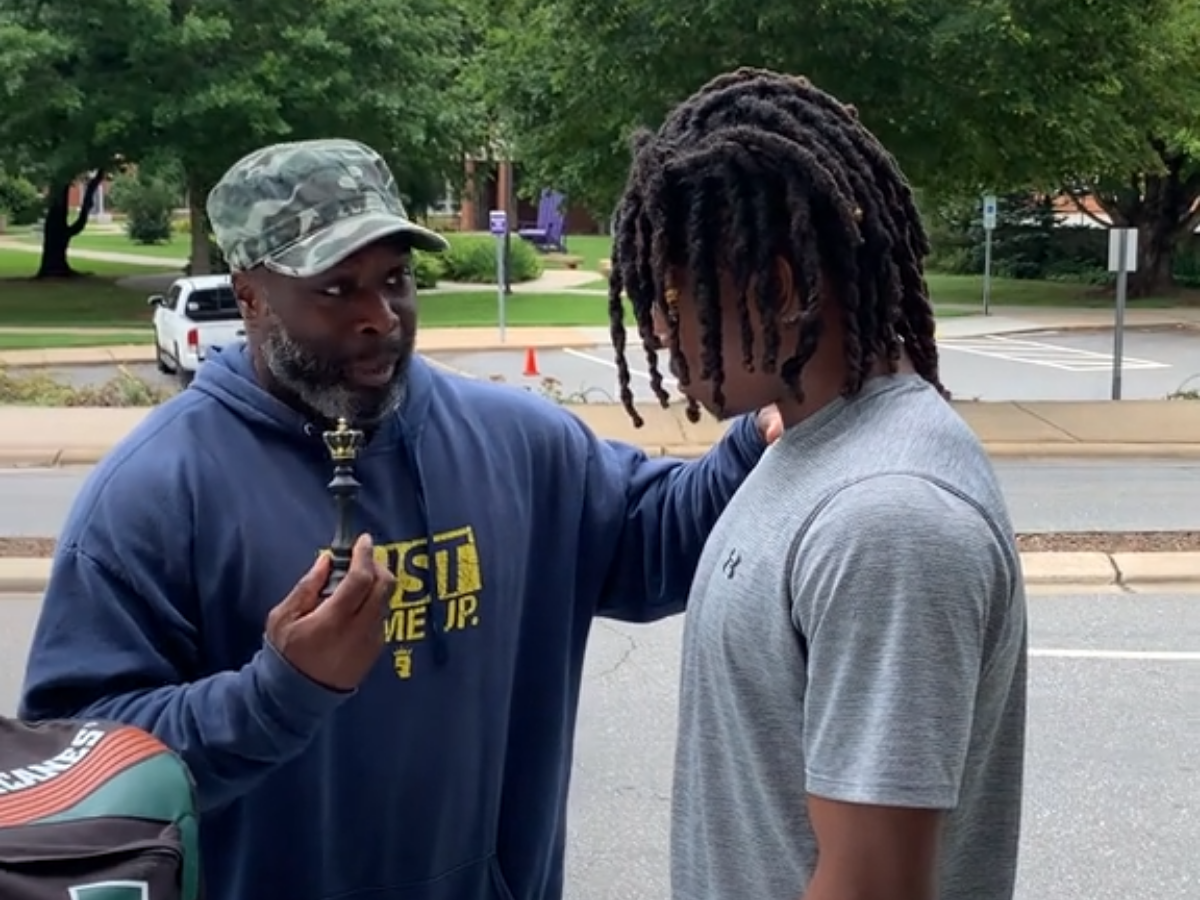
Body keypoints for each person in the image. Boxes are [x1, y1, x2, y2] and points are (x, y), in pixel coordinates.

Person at [18, 137, 782, 900]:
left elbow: (655, 540)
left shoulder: (517, 440)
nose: (379, 317)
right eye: (336, 288)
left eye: (395, 279)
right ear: (249, 294)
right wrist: (278, 693)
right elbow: (79, 769)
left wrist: (756, 439)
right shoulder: (154, 491)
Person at [606, 68, 1028, 900]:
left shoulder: (886, 519)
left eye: (671, 297)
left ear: (784, 290)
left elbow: (870, 887)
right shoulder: (802, 445)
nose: (656, 329)